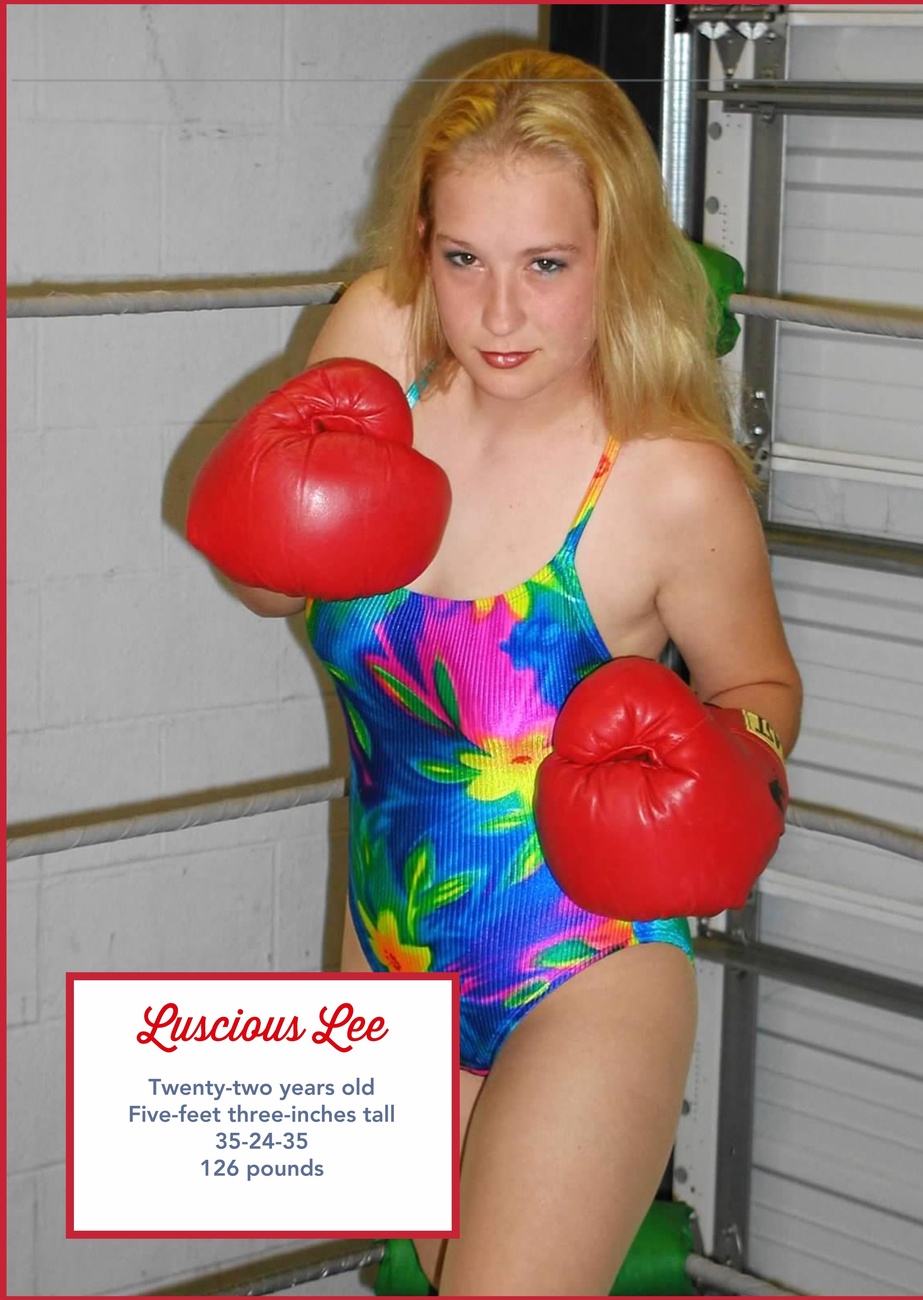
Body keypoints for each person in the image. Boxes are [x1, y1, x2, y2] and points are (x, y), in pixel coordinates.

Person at [186, 47, 802, 1297]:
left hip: (588, 966)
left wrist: (723, 776)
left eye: (547, 266)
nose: (500, 315)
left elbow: (762, 690)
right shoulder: (380, 345)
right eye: (464, 258)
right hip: (385, 940)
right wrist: (267, 541)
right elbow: (273, 582)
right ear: (422, 241)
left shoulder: (669, 481)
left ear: (616, 254)